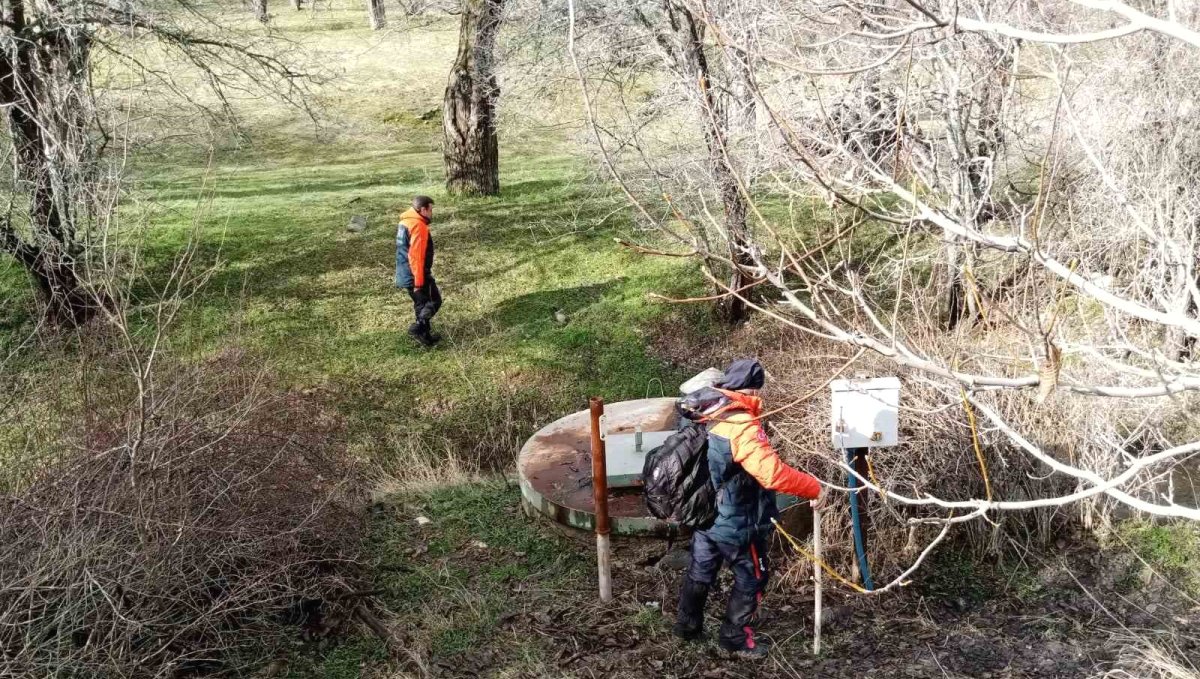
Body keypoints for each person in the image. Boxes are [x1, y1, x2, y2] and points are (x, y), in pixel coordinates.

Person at [673, 358, 825, 659]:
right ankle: (734, 639)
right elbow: (772, 473)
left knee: (700, 571)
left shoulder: (701, 410)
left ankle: (687, 627)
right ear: (753, 390)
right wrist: (814, 488)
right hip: (738, 522)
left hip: (704, 514)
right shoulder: (740, 423)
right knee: (752, 577)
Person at [395, 195, 441, 347]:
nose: (431, 213)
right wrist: (419, 281)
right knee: (434, 300)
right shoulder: (418, 226)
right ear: (423, 209)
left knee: (421, 305)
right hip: (416, 273)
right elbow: (416, 256)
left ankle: (425, 338)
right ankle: (418, 328)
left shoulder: (404, 222)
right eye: (430, 210)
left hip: (404, 272)